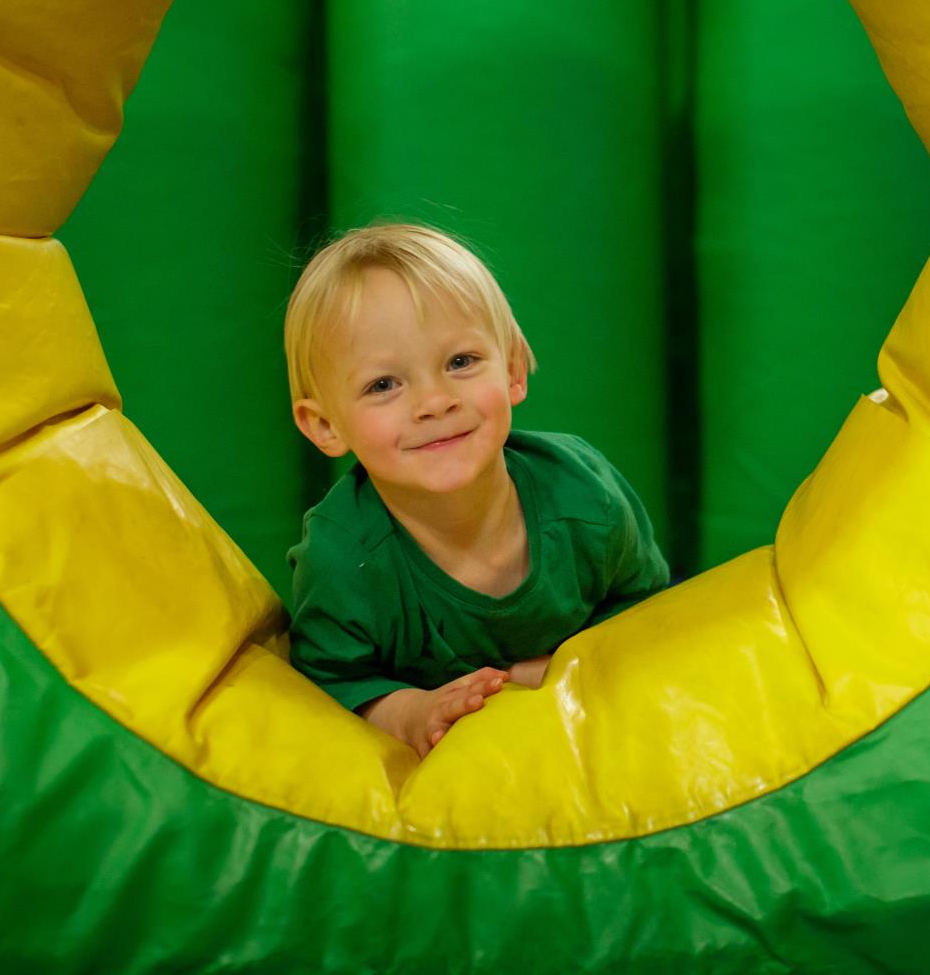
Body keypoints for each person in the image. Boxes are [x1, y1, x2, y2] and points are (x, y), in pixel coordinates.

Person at [281, 223, 669, 757]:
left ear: (511, 369)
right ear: (325, 426)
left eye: (460, 362)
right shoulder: (343, 559)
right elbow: (331, 685)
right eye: (383, 385)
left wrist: (574, 663)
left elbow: (647, 613)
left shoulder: (584, 497)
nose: (434, 401)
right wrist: (411, 712)